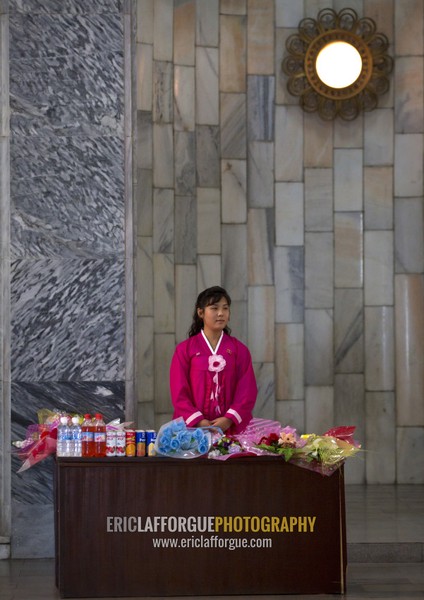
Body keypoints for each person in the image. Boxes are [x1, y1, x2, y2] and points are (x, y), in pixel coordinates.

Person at [170, 286, 257, 434]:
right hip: (192, 428)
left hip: (230, 429)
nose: (221, 313)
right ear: (201, 312)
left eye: (225, 308)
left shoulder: (239, 350)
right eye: (214, 308)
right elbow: (178, 390)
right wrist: (198, 421)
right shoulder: (185, 349)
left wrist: (229, 419)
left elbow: (247, 390)